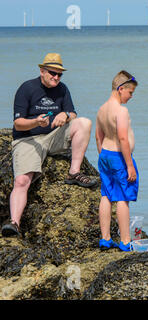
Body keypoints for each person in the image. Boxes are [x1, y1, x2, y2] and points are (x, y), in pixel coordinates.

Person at [2, 53, 96, 237]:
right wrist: (36, 122)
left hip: (53, 137)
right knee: (22, 181)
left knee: (84, 122)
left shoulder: (62, 89)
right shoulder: (27, 88)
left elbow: (73, 113)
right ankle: (14, 223)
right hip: (28, 138)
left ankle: (74, 172)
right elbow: (18, 123)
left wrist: (66, 115)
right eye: (52, 73)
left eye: (59, 74)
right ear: (42, 71)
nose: (56, 77)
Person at [95, 70, 139, 252]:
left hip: (105, 154)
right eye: (130, 92)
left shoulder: (102, 109)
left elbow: (98, 137)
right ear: (121, 89)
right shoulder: (121, 110)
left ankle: (105, 238)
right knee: (122, 197)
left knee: (106, 194)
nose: (131, 97)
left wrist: (102, 157)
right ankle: (125, 241)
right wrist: (129, 165)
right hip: (119, 157)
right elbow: (123, 138)